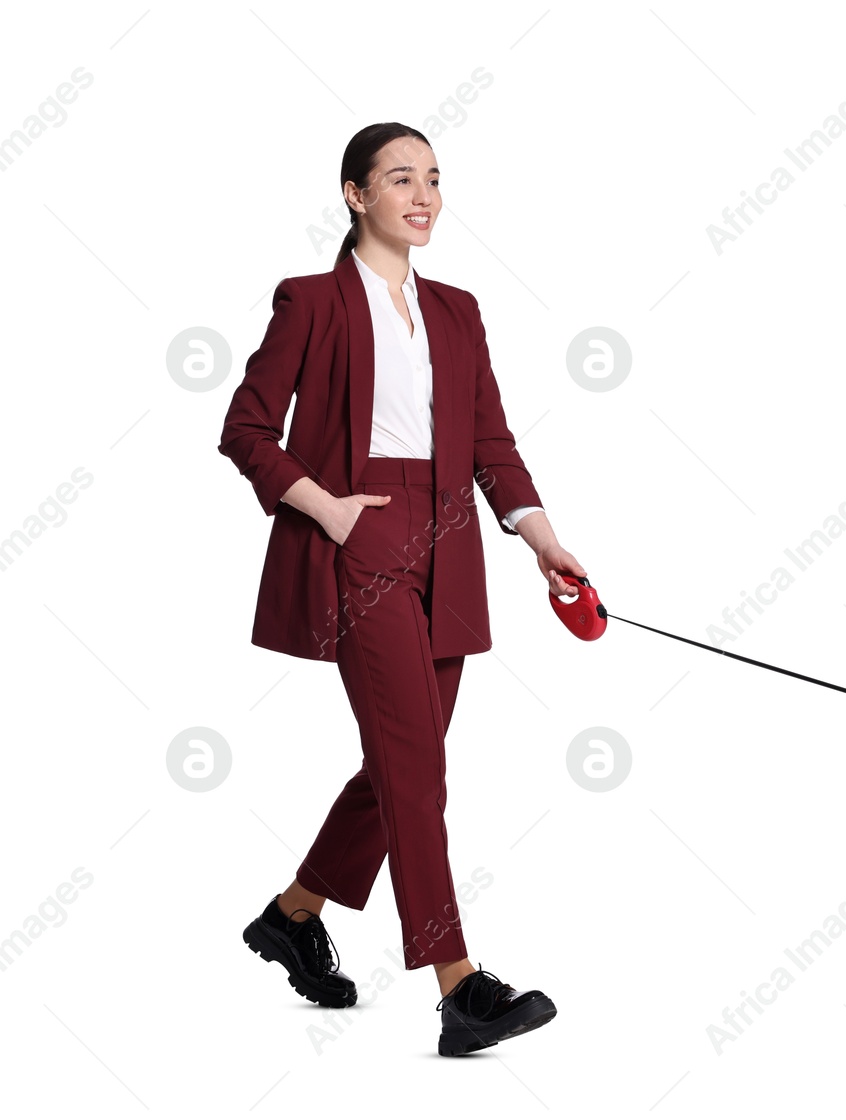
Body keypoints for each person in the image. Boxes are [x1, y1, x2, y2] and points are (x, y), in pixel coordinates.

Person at [219, 122, 585, 1056]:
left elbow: (492, 446)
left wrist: (544, 543)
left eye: (432, 179)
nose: (422, 196)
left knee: (401, 769)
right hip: (364, 537)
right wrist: (326, 509)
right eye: (398, 180)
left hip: (452, 547)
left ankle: (294, 915)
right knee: (418, 772)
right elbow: (247, 428)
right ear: (354, 196)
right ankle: (460, 986)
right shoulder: (310, 301)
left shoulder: (459, 310)